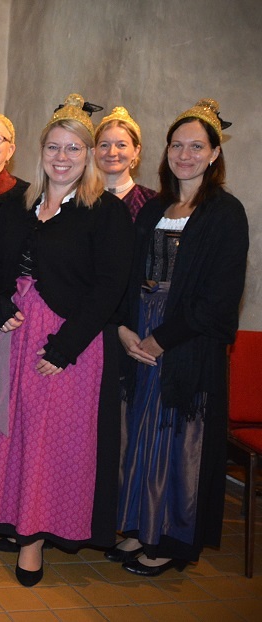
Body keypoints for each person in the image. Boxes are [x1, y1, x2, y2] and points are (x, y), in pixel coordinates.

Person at [0, 94, 133, 586]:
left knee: (47, 439)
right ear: (40, 151)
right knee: (10, 431)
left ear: (87, 155)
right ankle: (13, 517)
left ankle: (34, 540)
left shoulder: (104, 212)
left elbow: (109, 287)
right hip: (11, 334)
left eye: (73, 149)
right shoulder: (17, 205)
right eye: (54, 148)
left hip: (66, 343)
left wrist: (65, 348)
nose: (62, 157)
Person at [111, 99, 247, 577]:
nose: (185, 155)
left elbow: (220, 297)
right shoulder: (153, 209)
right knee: (139, 433)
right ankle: (138, 524)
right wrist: (125, 328)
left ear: (214, 154)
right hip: (140, 332)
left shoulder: (225, 214)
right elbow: (128, 276)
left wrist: (161, 339)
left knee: (177, 440)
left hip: (186, 342)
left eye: (196, 147)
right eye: (176, 145)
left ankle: (170, 538)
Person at [94, 106, 156, 222]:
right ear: (95, 150)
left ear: (136, 151)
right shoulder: (81, 200)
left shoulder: (152, 202)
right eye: (104, 145)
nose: (112, 153)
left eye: (121, 145)